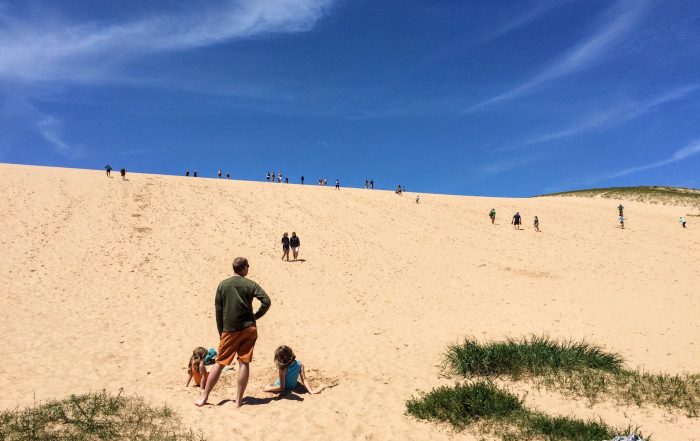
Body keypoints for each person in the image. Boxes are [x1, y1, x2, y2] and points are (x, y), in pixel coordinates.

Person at [196, 257, 271, 408]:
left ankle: (204, 397)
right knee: (244, 362)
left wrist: (221, 331)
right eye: (247, 267)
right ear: (243, 268)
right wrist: (256, 316)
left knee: (220, 363)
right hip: (249, 328)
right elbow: (266, 301)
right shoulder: (251, 284)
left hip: (229, 329)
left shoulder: (223, 285)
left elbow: (218, 310)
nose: (248, 269)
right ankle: (238, 400)